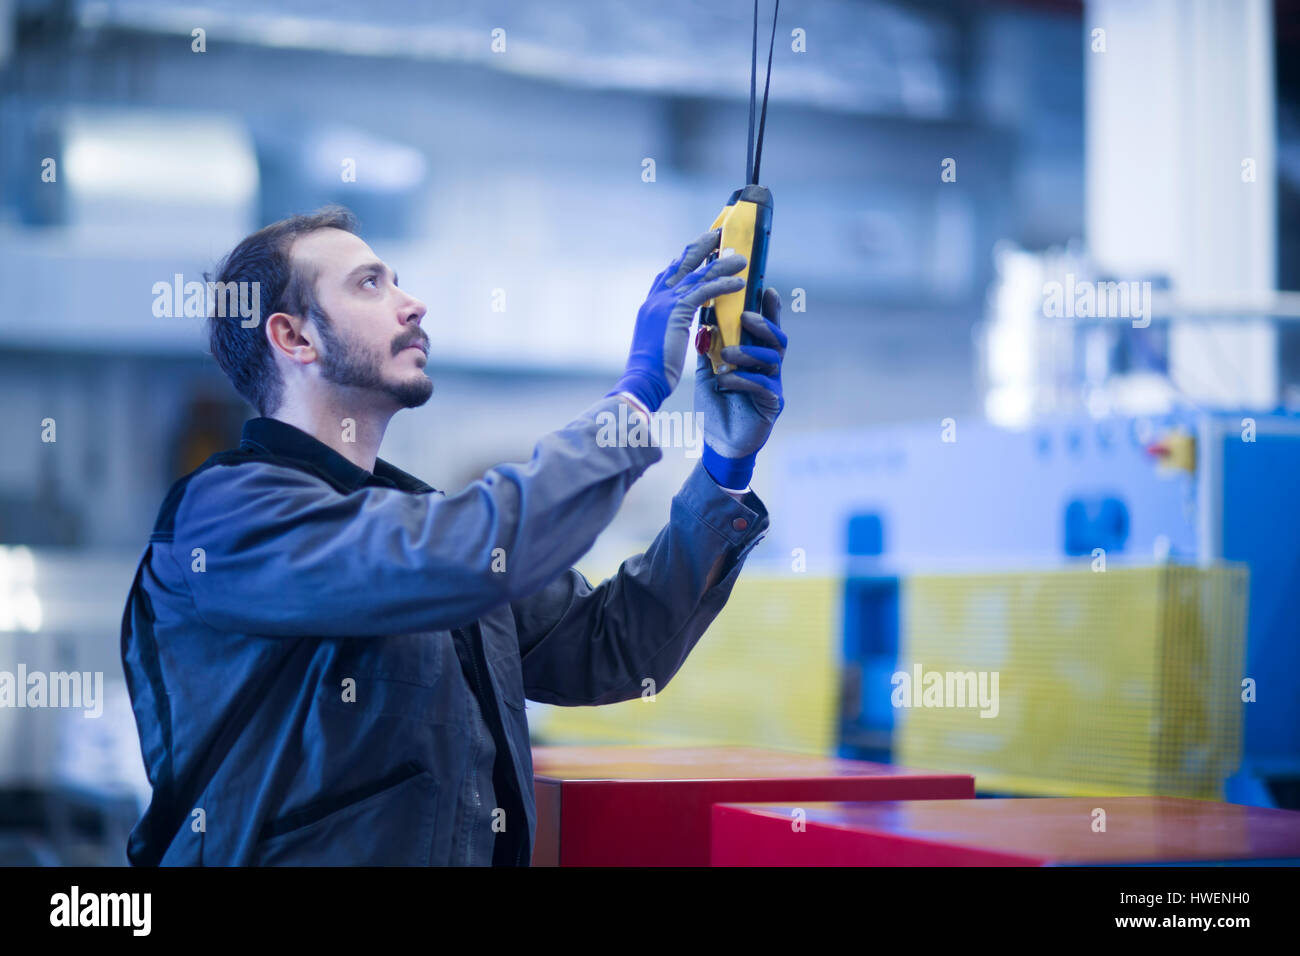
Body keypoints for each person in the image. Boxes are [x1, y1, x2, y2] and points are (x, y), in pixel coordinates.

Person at [120, 204, 788, 866]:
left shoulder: (419, 525)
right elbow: (455, 554)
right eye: (370, 284)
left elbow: (613, 646)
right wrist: (636, 396)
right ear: (295, 338)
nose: (413, 305)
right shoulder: (230, 515)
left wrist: (723, 470)